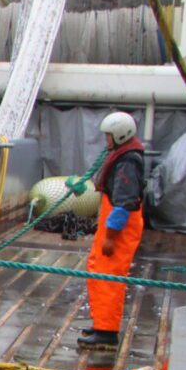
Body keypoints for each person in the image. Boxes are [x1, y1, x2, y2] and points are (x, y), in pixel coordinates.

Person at [79, 111, 146, 351]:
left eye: (108, 136)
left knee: (109, 277)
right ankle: (101, 324)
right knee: (97, 270)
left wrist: (110, 236)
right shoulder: (123, 155)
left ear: (120, 135)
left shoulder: (128, 161)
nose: (106, 140)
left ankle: (107, 332)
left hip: (119, 226)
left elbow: (125, 202)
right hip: (111, 222)